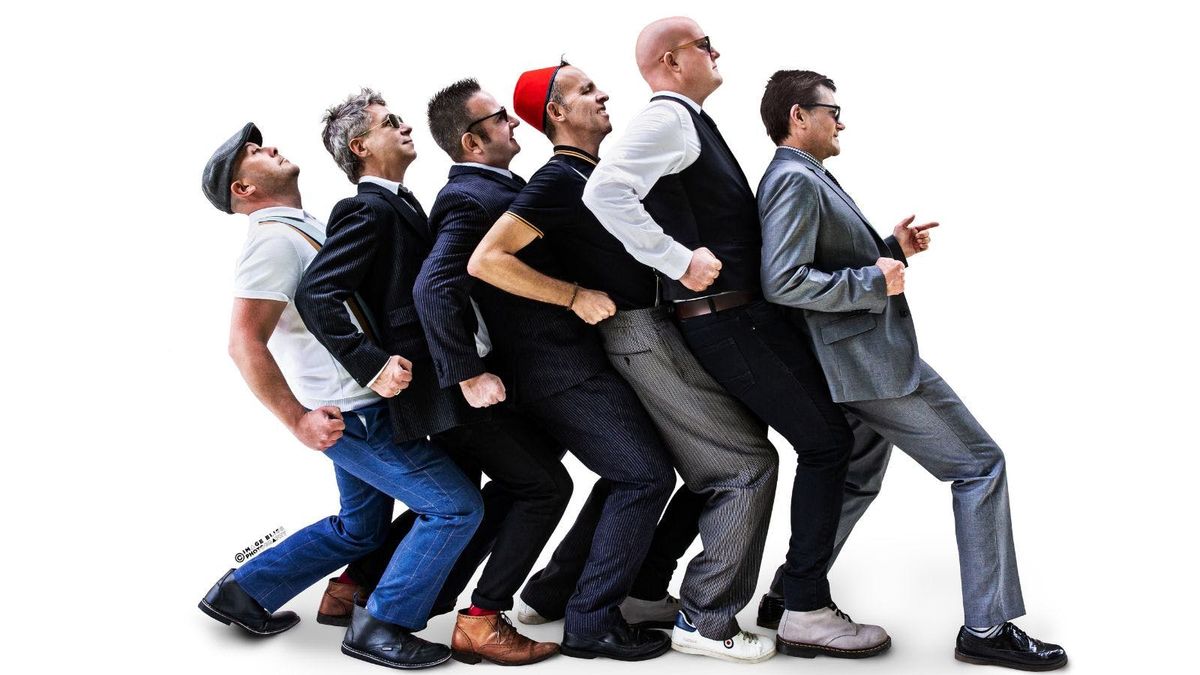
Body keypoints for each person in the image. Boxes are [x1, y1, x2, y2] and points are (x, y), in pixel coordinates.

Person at [581, 16, 891, 660]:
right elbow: (605, 191)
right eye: (703, 44)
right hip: (728, 320)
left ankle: (645, 587)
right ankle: (803, 607)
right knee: (826, 441)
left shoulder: (690, 121)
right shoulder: (668, 118)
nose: (715, 51)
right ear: (670, 60)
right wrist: (676, 259)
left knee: (737, 460)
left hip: (738, 318)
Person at [753, 69, 1068, 671]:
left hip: (849, 363)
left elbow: (823, 259)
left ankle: (790, 594)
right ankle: (987, 627)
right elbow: (784, 280)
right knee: (980, 465)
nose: (841, 122)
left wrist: (892, 250)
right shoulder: (793, 179)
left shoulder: (806, 174)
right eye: (832, 111)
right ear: (799, 116)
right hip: (870, 366)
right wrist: (874, 281)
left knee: (854, 478)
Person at [469, 62, 779, 663]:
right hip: (634, 334)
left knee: (647, 468)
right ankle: (645, 616)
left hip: (645, 331)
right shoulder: (558, 178)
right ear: (556, 113)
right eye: (586, 90)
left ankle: (555, 592)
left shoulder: (593, 172)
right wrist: (572, 296)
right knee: (716, 466)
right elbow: (487, 260)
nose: (604, 93)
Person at [197, 123, 482, 671]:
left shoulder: (303, 226)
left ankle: (244, 591)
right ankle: (382, 626)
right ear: (243, 189)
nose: (271, 147)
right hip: (352, 413)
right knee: (454, 508)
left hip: (359, 405)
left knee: (361, 528)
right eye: (255, 152)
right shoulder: (271, 242)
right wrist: (297, 420)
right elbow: (243, 343)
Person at [296, 88, 565, 667]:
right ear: (360, 147)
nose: (405, 126)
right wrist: (372, 363)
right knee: (538, 486)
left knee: (474, 487)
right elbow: (318, 293)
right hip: (437, 384)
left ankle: (362, 587)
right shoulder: (366, 209)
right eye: (389, 122)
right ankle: (443, 619)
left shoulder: (404, 204)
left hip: (448, 376)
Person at [417, 78, 676, 661]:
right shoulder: (468, 197)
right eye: (499, 118)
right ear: (471, 141)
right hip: (555, 366)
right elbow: (435, 286)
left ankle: (553, 591)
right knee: (644, 477)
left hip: (564, 361)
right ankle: (589, 622)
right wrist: (467, 372)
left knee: (605, 477)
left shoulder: (508, 186)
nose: (514, 123)